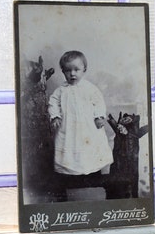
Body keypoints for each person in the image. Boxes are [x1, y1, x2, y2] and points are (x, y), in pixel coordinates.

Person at [48, 50, 113, 200]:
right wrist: (55, 116)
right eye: (68, 70)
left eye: (76, 70)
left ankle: (92, 174)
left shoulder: (90, 88)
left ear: (84, 70)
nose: (72, 74)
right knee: (69, 151)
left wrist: (99, 116)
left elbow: (98, 102)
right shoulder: (60, 91)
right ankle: (70, 177)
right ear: (63, 71)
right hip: (68, 128)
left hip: (87, 128)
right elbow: (53, 103)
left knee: (89, 151)